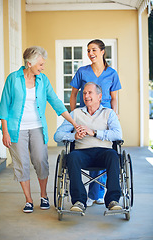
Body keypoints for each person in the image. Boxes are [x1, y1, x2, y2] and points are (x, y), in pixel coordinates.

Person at [0, 46, 78, 213]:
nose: (43, 67)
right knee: (21, 164)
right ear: (29, 64)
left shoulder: (43, 80)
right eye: (40, 64)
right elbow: (4, 105)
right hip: (15, 129)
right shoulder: (13, 79)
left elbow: (56, 102)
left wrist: (74, 123)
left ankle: (43, 196)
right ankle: (28, 200)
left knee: (41, 160)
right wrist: (5, 132)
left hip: (37, 127)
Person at [54, 82, 122, 213]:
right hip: (82, 153)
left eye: (90, 93)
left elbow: (118, 134)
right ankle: (79, 201)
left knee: (114, 156)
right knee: (72, 157)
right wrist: (74, 137)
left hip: (104, 152)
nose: (86, 96)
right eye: (84, 93)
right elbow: (57, 136)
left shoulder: (109, 113)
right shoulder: (75, 113)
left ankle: (113, 200)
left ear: (99, 96)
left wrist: (95, 132)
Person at [70, 39, 122, 207]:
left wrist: (114, 115)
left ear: (102, 52)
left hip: (105, 116)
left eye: (93, 50)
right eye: (88, 51)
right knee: (88, 147)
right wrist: (73, 118)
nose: (90, 54)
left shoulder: (112, 73)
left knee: (105, 150)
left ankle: (96, 192)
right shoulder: (82, 71)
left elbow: (114, 98)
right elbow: (73, 95)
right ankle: (91, 194)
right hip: (86, 114)